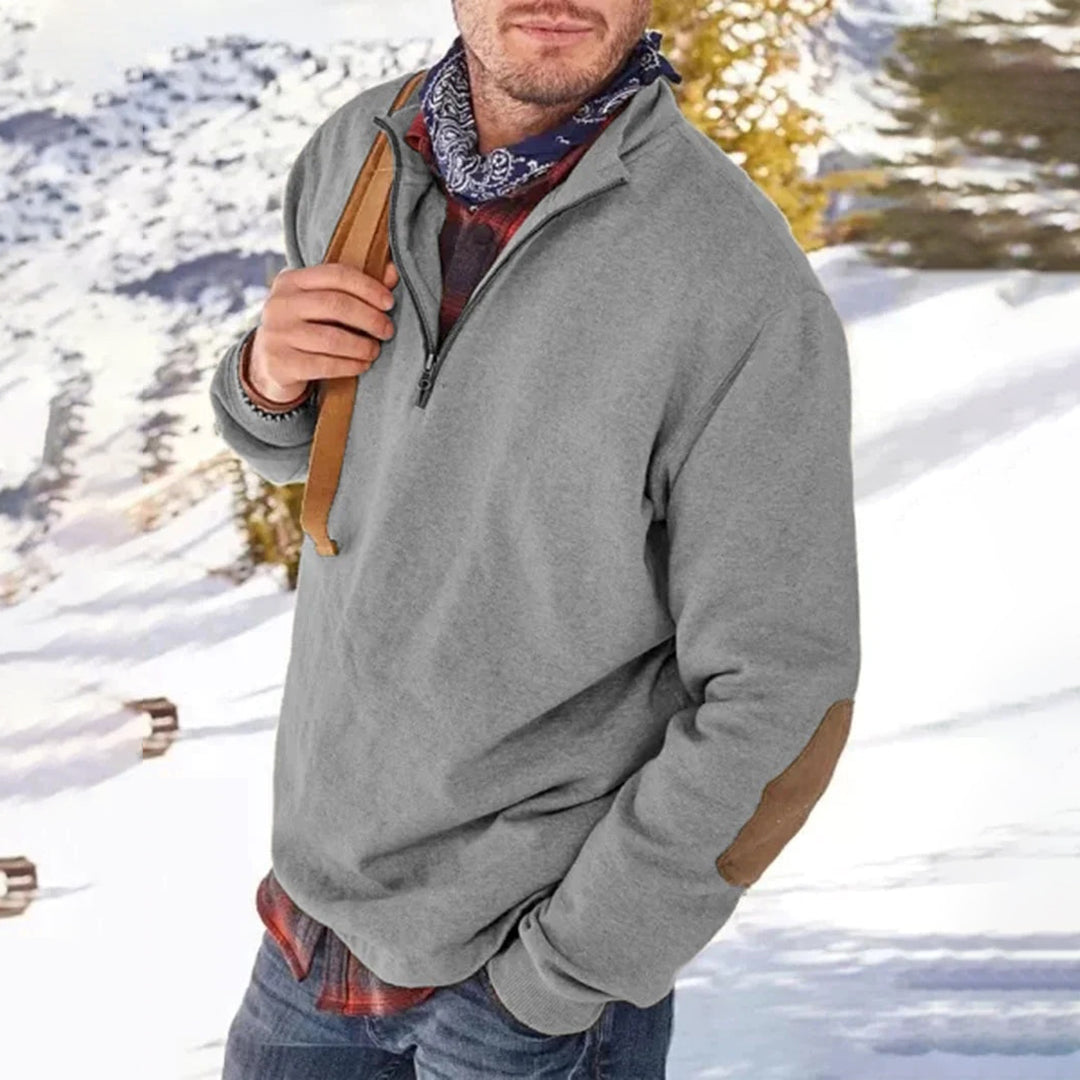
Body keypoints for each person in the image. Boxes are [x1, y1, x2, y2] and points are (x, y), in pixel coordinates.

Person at [210, 1, 861, 1077]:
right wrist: (264, 375)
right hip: (310, 939)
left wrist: (561, 978)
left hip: (521, 995)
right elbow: (315, 452)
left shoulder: (733, 277)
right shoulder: (357, 155)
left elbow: (789, 693)